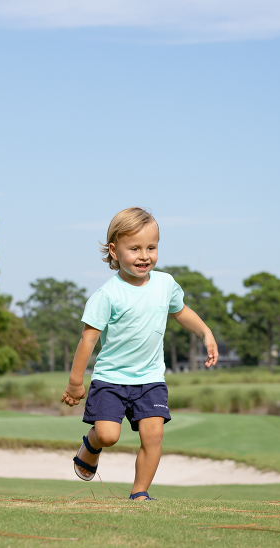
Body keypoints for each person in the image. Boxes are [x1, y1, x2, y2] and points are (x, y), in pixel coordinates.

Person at [61, 207, 218, 501]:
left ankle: (140, 494)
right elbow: (87, 340)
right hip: (110, 379)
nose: (144, 256)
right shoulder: (107, 295)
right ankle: (91, 446)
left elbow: (181, 312)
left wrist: (206, 332)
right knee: (108, 435)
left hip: (150, 379)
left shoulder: (165, 284)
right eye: (134, 248)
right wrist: (74, 383)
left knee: (154, 435)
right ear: (114, 251)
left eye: (151, 247)